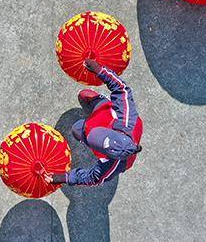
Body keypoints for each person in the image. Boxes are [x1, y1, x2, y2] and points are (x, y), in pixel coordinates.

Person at [44, 58, 142, 187]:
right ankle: (101, 101)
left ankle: (88, 125)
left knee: (76, 129)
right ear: (117, 131)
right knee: (84, 94)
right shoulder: (127, 118)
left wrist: (64, 177)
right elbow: (121, 89)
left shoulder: (112, 166)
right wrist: (100, 70)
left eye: (93, 141)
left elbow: (92, 178)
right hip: (103, 112)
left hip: (101, 118)